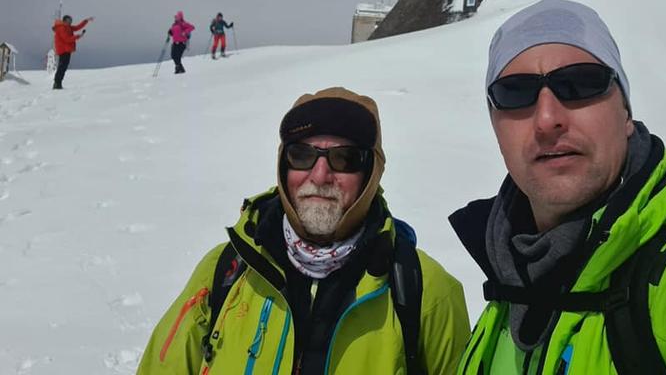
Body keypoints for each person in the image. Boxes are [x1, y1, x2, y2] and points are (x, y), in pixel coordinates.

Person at [450, 0, 666, 374]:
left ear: (626, 113)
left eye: (580, 83)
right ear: (495, 124)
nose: (547, 119)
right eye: (515, 92)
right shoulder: (512, 278)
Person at [138, 87, 470, 374]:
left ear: (371, 172)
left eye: (345, 158)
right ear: (284, 165)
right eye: (302, 155)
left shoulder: (425, 291)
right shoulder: (227, 270)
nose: (320, 175)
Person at [51, 14, 93, 89]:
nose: (71, 22)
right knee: (62, 67)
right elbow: (67, 39)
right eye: (69, 20)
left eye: (71, 20)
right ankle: (57, 83)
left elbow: (77, 27)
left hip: (67, 49)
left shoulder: (68, 27)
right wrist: (77, 36)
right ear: (65, 20)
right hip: (63, 50)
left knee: (64, 67)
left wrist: (86, 21)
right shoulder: (61, 28)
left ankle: (58, 83)